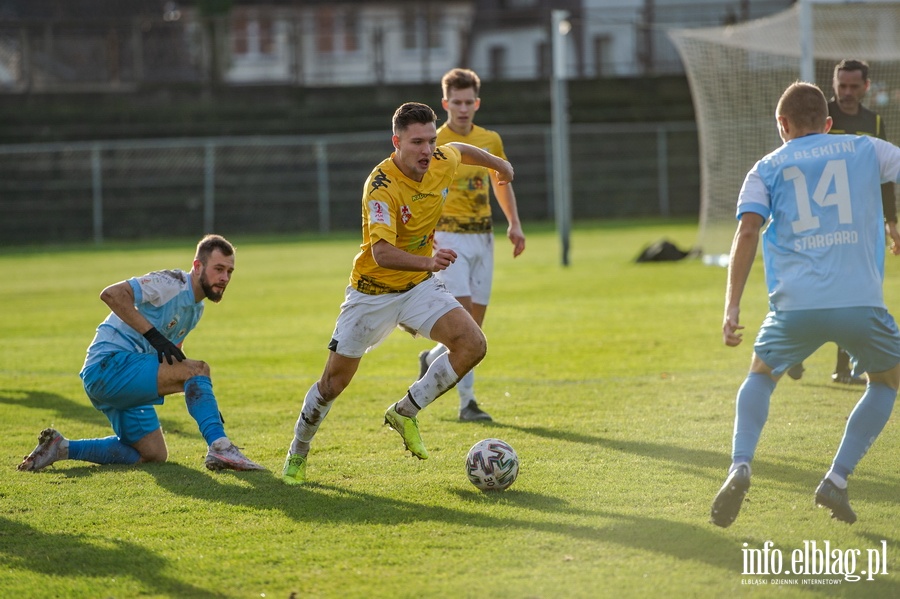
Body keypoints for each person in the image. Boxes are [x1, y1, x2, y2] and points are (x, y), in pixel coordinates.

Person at [282, 102, 515, 485]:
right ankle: (298, 450)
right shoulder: (381, 186)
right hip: (371, 293)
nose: (427, 150)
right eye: (417, 142)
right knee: (332, 385)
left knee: (473, 344)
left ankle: (405, 411)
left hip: (417, 287)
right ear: (397, 142)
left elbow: (462, 151)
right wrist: (430, 261)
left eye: (431, 140)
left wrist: (497, 163)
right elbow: (382, 253)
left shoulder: (442, 157)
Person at [710, 81, 900, 528]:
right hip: (860, 302)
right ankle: (835, 478)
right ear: (828, 123)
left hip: (795, 307)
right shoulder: (864, 147)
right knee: (887, 382)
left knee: (760, 376)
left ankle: (740, 464)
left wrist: (731, 307)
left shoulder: (766, 166)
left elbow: (747, 233)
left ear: (782, 124)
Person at [17, 234, 264, 473]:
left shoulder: (196, 309)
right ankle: (220, 447)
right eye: (218, 269)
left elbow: (174, 356)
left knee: (153, 454)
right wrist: (156, 338)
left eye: (229, 272)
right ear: (197, 266)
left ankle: (60, 448)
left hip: (121, 377)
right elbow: (111, 294)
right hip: (108, 366)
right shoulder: (170, 284)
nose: (224, 277)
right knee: (199, 369)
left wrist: (202, 396)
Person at [416, 67, 526, 422]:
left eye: (468, 102)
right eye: (456, 102)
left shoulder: (490, 140)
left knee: (473, 331)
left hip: (484, 237)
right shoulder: (436, 142)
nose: (462, 109)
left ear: (476, 103)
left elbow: (500, 183)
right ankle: (468, 405)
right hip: (449, 239)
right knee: (466, 329)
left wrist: (514, 224)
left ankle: (431, 359)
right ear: (445, 103)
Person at [787, 59, 900, 385]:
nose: (847, 92)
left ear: (866, 86)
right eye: (842, 86)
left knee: (855, 292)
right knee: (818, 291)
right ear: (834, 86)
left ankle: (845, 367)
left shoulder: (873, 121)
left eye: (854, 86)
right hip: (819, 224)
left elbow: (884, 175)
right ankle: (796, 350)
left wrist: (891, 221)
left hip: (860, 224)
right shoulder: (820, 118)